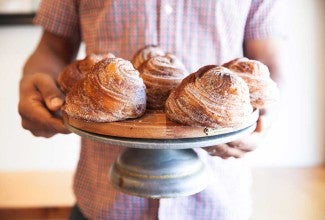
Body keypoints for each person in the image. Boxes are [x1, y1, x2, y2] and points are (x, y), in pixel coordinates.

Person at [18, 1, 284, 219]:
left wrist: (261, 124)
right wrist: (36, 82)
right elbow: (52, 48)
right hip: (104, 201)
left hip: (217, 201)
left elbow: (269, 64)